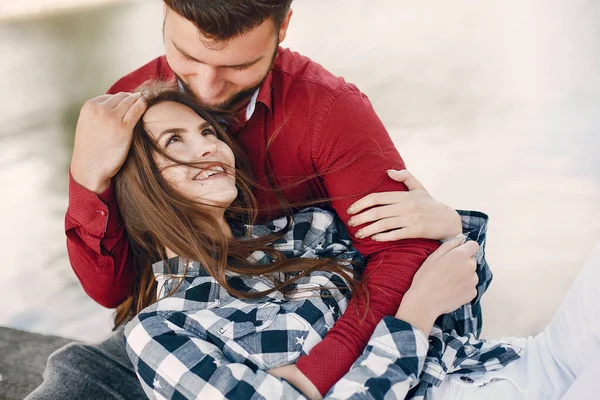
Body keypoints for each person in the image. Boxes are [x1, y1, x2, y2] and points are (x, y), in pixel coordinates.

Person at [46, 1, 464, 398]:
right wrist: (86, 176)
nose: (207, 88)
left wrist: (314, 374)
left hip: (315, 315)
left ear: (281, 28)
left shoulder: (330, 110)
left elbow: (404, 250)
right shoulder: (126, 106)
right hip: (192, 327)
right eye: (187, 56)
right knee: (74, 376)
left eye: (238, 66)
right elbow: (113, 289)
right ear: (165, 12)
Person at [115, 86, 597, 400]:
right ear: (138, 184)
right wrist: (412, 319)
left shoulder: (307, 228)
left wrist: (449, 231)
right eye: (174, 141)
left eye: (206, 131)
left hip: (525, 361)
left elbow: (461, 319)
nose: (206, 146)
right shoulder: (164, 330)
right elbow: (423, 311)